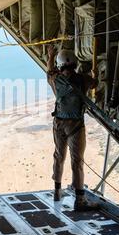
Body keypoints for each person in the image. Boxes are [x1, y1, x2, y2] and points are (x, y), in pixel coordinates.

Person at [46, 46, 99, 211]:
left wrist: (50, 55)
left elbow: (49, 70)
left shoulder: (55, 79)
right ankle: (80, 200)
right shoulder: (84, 79)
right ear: (75, 63)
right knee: (77, 162)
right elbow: (95, 83)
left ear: (60, 65)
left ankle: (57, 191)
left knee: (59, 156)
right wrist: (94, 73)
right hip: (75, 125)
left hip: (59, 124)